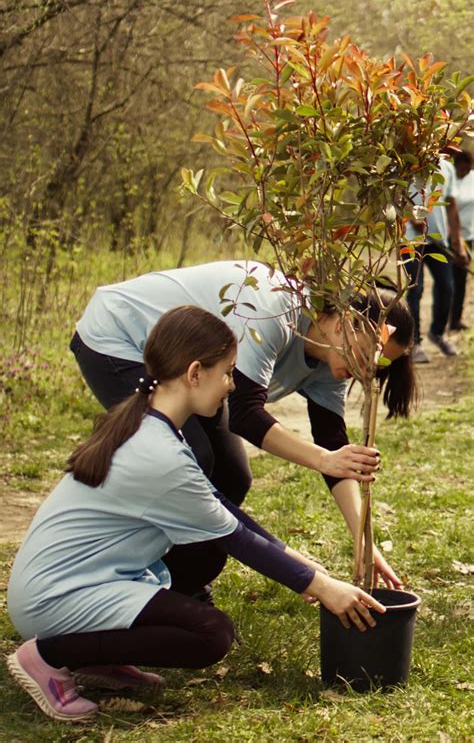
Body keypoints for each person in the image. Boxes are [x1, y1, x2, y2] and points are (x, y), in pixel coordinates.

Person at [7, 306, 386, 723]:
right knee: (210, 635)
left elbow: (222, 510)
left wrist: (304, 567)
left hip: (68, 583)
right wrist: (324, 587)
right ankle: (47, 656)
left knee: (204, 564)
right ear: (193, 373)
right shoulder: (159, 452)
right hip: (57, 597)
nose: (229, 386)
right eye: (226, 372)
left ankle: (97, 658)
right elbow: (236, 539)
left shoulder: (150, 424)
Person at [70, 260, 416, 591]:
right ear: (345, 323)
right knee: (193, 458)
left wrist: (364, 541)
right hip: (120, 336)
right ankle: (117, 572)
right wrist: (323, 459)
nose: (370, 370)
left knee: (232, 475)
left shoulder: (330, 366)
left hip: (192, 370)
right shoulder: (275, 311)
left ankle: (181, 584)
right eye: (371, 354)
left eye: (381, 363)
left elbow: (333, 447)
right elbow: (246, 415)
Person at [403, 154, 468, 363]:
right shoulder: (406, 161)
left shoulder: (447, 167)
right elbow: (394, 196)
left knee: (447, 287)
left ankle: (437, 333)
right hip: (410, 240)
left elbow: (451, 205)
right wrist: (410, 217)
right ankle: (414, 343)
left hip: (438, 239)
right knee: (416, 290)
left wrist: (458, 242)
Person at [449, 150, 473, 331]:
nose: (463, 172)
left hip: (468, 236)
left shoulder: (472, 179)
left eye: (467, 169)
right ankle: (442, 319)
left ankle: (455, 319)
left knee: (461, 279)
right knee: (447, 281)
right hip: (450, 237)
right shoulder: (450, 178)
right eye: (461, 169)